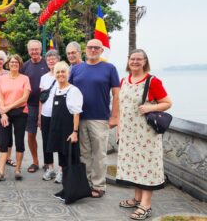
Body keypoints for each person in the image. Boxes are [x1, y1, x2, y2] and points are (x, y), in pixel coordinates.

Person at [116, 49, 172, 220]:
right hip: (128, 133)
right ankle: (137, 198)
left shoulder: (152, 81)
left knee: (146, 167)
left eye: (139, 59)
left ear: (145, 62)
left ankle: (145, 205)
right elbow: (122, 107)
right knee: (134, 166)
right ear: (128, 61)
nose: (135, 62)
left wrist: (150, 107)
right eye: (132, 59)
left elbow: (167, 103)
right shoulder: (124, 80)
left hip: (146, 134)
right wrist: (119, 129)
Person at [69, 39, 120, 197]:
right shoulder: (76, 69)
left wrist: (115, 116)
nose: (92, 50)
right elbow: (69, 92)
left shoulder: (109, 68)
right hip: (79, 118)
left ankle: (99, 186)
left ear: (101, 50)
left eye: (96, 48)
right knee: (84, 154)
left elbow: (116, 94)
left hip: (100, 118)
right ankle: (86, 184)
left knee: (99, 154)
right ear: (85, 50)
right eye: (90, 47)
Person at [0, 55, 31, 183]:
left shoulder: (25, 78)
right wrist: (3, 113)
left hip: (20, 112)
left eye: (16, 62)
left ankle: (18, 170)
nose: (14, 64)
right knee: (3, 141)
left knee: (19, 141)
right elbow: (0, 96)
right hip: (4, 114)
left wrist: (7, 108)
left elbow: (24, 98)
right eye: (12, 62)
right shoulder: (2, 78)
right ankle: (1, 171)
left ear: (20, 64)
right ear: (8, 64)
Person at [47, 61, 83, 200]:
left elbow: (76, 114)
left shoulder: (73, 90)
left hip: (68, 131)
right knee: (62, 160)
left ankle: (72, 192)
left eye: (63, 72)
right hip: (57, 130)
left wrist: (74, 132)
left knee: (70, 161)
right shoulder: (56, 89)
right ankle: (65, 190)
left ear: (68, 74)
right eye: (58, 72)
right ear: (54, 74)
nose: (60, 74)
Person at [20, 40, 49, 173]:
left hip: (47, 105)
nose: (34, 52)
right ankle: (35, 161)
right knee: (31, 134)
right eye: (32, 50)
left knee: (47, 135)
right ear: (28, 51)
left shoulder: (48, 64)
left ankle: (48, 162)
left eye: (37, 49)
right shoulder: (25, 66)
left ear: (41, 49)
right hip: (30, 105)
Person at [38, 50, 61, 182]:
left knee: (61, 142)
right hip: (46, 114)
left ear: (58, 60)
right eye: (49, 60)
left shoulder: (64, 75)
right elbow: (42, 98)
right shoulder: (44, 77)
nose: (51, 61)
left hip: (60, 115)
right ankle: (50, 168)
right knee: (47, 142)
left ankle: (61, 170)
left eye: (54, 59)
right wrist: (40, 116)